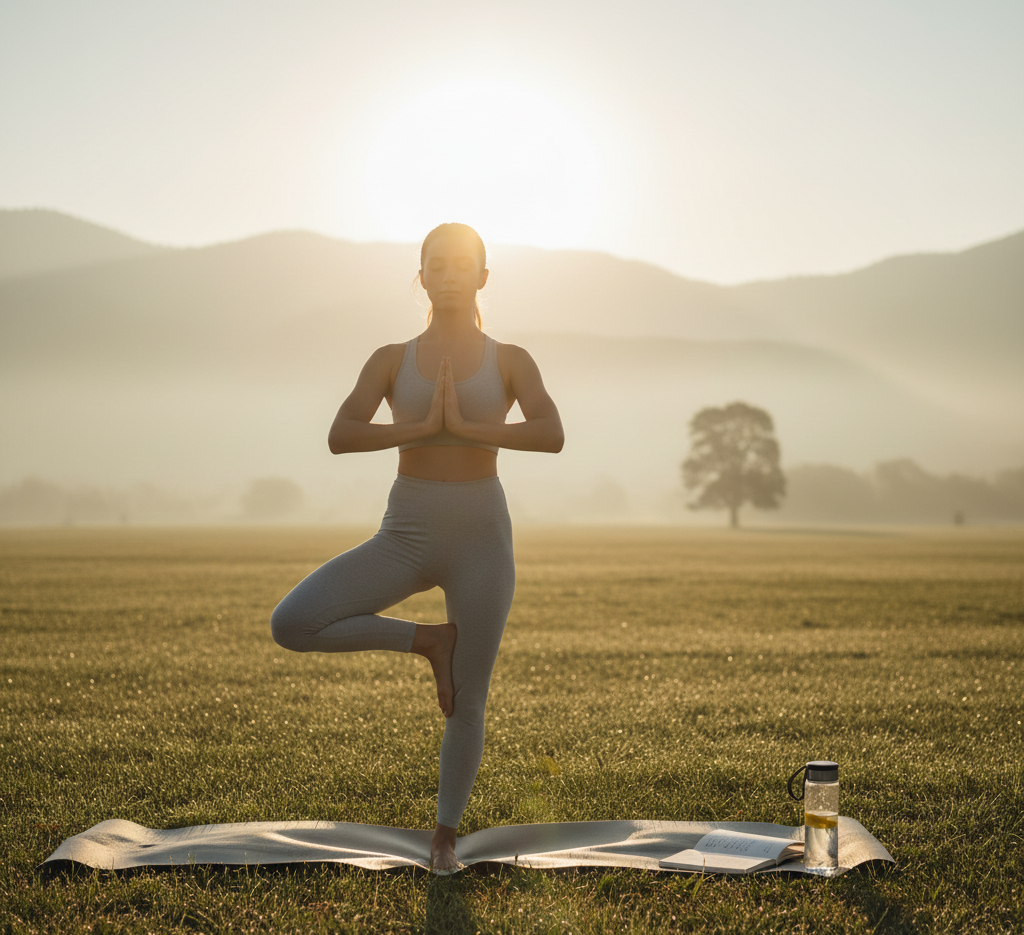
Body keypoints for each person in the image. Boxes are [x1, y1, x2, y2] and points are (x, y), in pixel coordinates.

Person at [270, 222, 564, 873]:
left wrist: (468, 426)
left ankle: (445, 834)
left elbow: (551, 432)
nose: (452, 273)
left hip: (482, 541)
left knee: (468, 694)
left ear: (484, 276)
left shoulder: (510, 358)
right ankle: (425, 639)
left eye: (465, 264)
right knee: (292, 622)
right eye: (439, 263)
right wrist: (421, 426)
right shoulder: (390, 358)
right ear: (421, 276)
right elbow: (342, 433)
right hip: (405, 535)